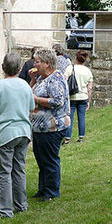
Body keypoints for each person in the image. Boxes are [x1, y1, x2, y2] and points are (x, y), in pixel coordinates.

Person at [0, 52, 35, 219]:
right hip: (23, 132)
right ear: (20, 68)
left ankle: (5, 211)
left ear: (3, 67)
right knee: (19, 169)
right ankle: (21, 205)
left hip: (5, 133)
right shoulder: (25, 85)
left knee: (4, 172)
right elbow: (31, 106)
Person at [30, 48, 70, 201]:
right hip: (40, 128)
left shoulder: (56, 78)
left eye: (37, 62)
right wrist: (33, 80)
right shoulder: (41, 78)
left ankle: (52, 192)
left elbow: (57, 101)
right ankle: (43, 189)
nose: (35, 64)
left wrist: (37, 100)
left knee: (50, 160)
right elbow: (28, 93)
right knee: (41, 160)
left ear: (47, 63)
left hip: (52, 127)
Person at [66, 50, 94, 142]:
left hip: (72, 96)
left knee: (70, 117)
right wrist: (88, 101)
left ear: (76, 58)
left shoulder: (70, 68)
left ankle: (67, 138)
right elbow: (89, 88)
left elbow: (64, 81)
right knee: (82, 117)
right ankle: (81, 137)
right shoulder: (88, 71)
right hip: (84, 97)